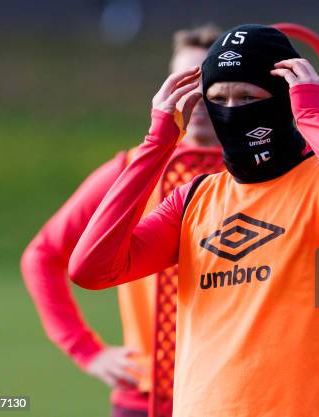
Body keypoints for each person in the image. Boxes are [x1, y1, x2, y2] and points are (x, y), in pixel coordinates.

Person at [69, 24, 319, 417]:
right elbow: (91, 269)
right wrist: (157, 144)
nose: (231, 112)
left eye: (248, 96)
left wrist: (311, 117)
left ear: (284, 98)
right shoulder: (192, 200)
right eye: (218, 98)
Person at [20, 24, 222, 417]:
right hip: (148, 398)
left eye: (209, 84)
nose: (194, 99)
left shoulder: (274, 178)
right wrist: (86, 351)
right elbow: (43, 256)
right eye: (182, 82)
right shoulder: (132, 171)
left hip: (235, 392)